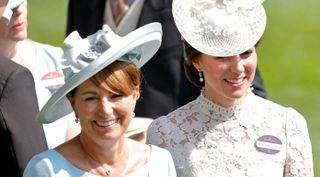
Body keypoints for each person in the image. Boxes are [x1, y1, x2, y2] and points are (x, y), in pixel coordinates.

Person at [147, 0, 314, 177]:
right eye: (223, 57)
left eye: (246, 53)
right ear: (196, 61)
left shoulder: (288, 124)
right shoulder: (164, 133)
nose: (238, 68)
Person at [23, 23, 177, 177]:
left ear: (135, 94)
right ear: (73, 103)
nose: (105, 110)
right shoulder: (47, 169)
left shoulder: (159, 163)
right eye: (91, 98)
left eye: (116, 95)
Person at [66, 0, 264, 119]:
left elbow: (240, 75)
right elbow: (76, 72)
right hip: (102, 138)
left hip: (172, 143)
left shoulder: (192, 6)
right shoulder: (82, 3)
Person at [0, 0, 77, 148]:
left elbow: (74, 125)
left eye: (21, 1)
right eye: (6, 4)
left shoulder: (55, 58)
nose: (18, 11)